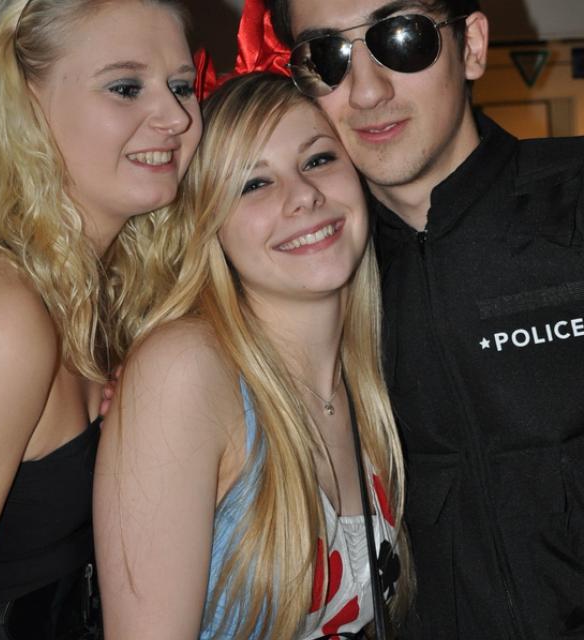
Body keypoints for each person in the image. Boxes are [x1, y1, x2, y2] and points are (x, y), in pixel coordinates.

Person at [265, 0, 584, 638]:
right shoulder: (302, 282)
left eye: (403, 36)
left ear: (472, 46)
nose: (366, 91)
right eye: (328, 56)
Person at [94, 72, 412, 639]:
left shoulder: (371, 377)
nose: (303, 195)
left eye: (318, 160)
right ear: (208, 224)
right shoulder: (186, 371)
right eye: (254, 183)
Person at [0, 0, 201, 637]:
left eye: (181, 86)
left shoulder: (112, 293)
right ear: (26, 103)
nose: (175, 117)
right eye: (125, 87)